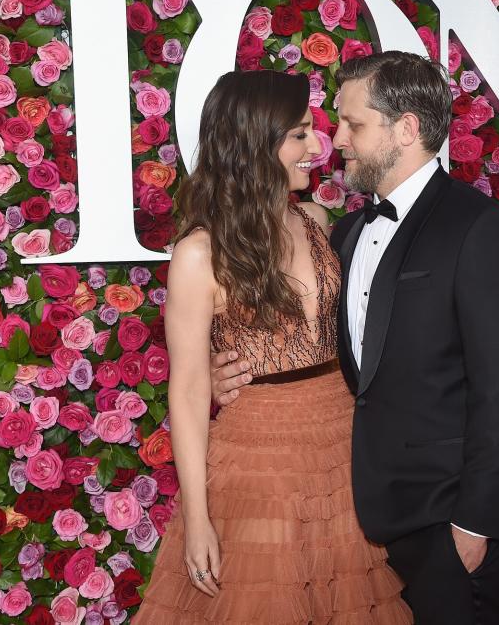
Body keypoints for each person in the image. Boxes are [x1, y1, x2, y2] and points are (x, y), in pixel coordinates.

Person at [212, 51, 499, 624]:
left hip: (450, 521)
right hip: (359, 519)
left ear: (406, 128)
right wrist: (232, 370)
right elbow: (325, 350)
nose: (335, 140)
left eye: (353, 124)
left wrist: (475, 524)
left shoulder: (482, 228)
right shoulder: (345, 231)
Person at [132, 70, 412, 624]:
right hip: (258, 456)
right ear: (255, 142)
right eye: (300, 134)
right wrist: (197, 519)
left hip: (343, 445)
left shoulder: (315, 220)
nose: (319, 147)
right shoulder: (198, 255)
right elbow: (187, 390)